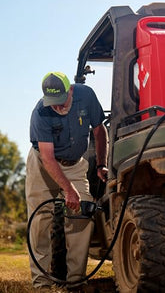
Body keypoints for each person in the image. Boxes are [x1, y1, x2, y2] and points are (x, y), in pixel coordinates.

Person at [25, 72, 108, 292]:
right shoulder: (40, 112)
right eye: (53, 104)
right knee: (39, 220)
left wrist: (101, 164)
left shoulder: (87, 96)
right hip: (43, 166)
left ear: (70, 90)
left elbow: (100, 132)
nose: (58, 108)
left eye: (61, 102)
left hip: (74, 164)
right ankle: (41, 284)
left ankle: (75, 282)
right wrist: (68, 190)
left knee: (82, 213)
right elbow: (48, 158)